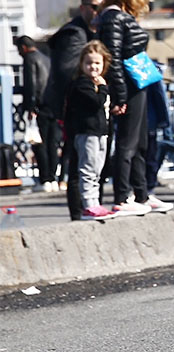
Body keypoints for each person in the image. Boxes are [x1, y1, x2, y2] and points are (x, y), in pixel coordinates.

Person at [97, 0, 172, 216]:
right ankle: (122, 196)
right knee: (128, 143)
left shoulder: (116, 17)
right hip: (128, 86)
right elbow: (113, 58)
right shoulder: (114, 18)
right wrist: (119, 94)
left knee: (140, 142)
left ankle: (141, 193)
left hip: (136, 84)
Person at [46, 0, 103, 219]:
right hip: (74, 111)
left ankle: (87, 207)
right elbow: (67, 71)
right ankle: (79, 212)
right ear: (83, 8)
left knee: (91, 161)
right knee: (79, 162)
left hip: (87, 109)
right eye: (95, 7)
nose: (99, 12)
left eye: (102, 6)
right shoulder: (73, 34)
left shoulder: (89, 34)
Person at [66, 41, 116, 221]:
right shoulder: (82, 84)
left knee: (97, 169)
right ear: (81, 64)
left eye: (97, 63)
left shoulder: (94, 82)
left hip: (100, 132)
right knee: (87, 169)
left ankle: (95, 202)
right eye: (89, 63)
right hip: (87, 132)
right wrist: (103, 88)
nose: (93, 67)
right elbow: (96, 102)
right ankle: (88, 204)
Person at [17, 36, 55, 192]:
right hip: (52, 106)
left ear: (24, 47)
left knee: (39, 144)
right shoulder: (46, 58)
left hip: (39, 107)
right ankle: (53, 179)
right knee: (52, 143)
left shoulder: (29, 59)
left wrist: (30, 107)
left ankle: (44, 178)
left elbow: (31, 84)